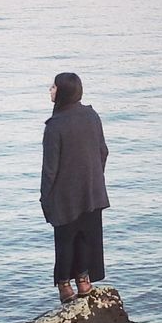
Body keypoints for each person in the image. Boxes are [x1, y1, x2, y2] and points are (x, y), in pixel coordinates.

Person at [40, 72, 110, 303]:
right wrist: (94, 177)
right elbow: (103, 152)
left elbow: (50, 169)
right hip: (92, 190)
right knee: (85, 237)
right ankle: (83, 281)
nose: (50, 89)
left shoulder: (54, 126)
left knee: (65, 240)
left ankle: (64, 286)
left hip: (65, 195)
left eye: (53, 86)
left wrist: (45, 199)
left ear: (63, 91)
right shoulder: (92, 115)